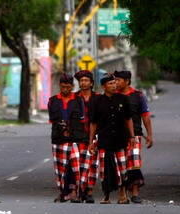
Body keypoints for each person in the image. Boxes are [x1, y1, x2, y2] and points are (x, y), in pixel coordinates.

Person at [88, 73, 135, 204]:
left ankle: (122, 194)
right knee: (105, 170)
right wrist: (91, 141)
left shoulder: (123, 99)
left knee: (122, 168)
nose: (114, 86)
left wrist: (132, 136)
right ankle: (106, 195)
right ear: (103, 86)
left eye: (115, 83)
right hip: (104, 140)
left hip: (121, 139)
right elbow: (93, 123)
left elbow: (128, 119)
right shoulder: (97, 101)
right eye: (110, 84)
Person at [114, 70, 154, 204]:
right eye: (115, 80)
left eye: (119, 80)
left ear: (127, 81)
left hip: (135, 135)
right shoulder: (113, 96)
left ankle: (135, 193)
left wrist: (149, 135)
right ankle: (123, 192)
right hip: (117, 136)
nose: (116, 83)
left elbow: (146, 116)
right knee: (121, 165)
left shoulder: (138, 96)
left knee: (134, 163)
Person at [48, 74, 85, 202]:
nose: (65, 89)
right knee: (60, 168)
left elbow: (82, 119)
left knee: (75, 167)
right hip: (58, 139)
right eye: (63, 86)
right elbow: (53, 120)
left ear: (72, 86)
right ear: (60, 86)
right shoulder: (53, 100)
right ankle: (63, 192)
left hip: (75, 139)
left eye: (68, 87)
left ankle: (75, 192)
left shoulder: (78, 100)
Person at [74, 70, 99, 203]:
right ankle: (79, 191)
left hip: (94, 136)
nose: (83, 83)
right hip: (77, 136)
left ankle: (89, 191)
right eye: (81, 81)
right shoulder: (74, 98)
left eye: (86, 80)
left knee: (92, 165)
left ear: (91, 83)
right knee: (78, 165)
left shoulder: (98, 98)